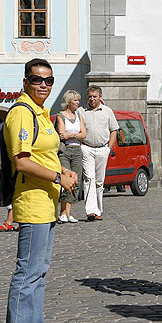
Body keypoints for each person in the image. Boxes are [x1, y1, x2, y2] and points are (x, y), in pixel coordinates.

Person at [3, 58, 77, 323]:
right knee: (28, 272)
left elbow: (42, 154)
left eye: (48, 80)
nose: (43, 85)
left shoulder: (40, 113)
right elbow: (22, 161)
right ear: (25, 82)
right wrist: (60, 176)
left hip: (47, 201)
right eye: (37, 80)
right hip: (32, 201)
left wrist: (61, 169)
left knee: (39, 272)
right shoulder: (22, 113)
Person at [78, 85, 118, 221]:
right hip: (87, 148)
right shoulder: (81, 111)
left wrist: (109, 147)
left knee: (99, 182)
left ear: (100, 97)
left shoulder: (107, 111)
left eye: (94, 96)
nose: (92, 99)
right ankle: (90, 211)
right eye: (90, 96)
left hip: (102, 149)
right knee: (89, 179)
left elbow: (114, 130)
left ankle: (99, 210)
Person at [55, 90, 86, 223]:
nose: (78, 103)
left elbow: (84, 134)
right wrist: (75, 135)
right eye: (75, 100)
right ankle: (62, 212)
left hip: (77, 151)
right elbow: (62, 134)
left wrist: (72, 135)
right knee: (66, 179)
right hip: (65, 151)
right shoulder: (60, 116)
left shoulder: (79, 116)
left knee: (75, 181)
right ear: (68, 102)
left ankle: (68, 212)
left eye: (78, 100)